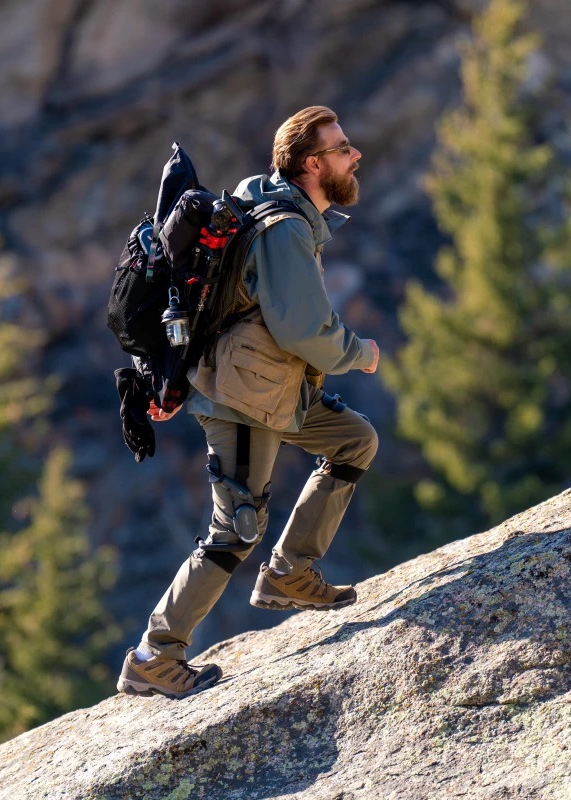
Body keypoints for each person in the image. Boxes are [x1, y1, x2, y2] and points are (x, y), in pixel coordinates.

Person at [116, 106, 380, 698]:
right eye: (342, 148)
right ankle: (155, 654)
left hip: (274, 388)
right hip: (242, 396)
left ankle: (291, 571)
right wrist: (358, 352)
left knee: (353, 440)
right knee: (236, 527)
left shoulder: (274, 207)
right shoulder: (285, 229)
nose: (355, 155)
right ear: (313, 164)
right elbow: (303, 328)